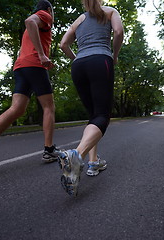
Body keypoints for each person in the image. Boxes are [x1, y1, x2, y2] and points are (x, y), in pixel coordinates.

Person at [0, 0, 60, 178]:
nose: (52, 17)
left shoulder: (35, 26)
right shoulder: (44, 15)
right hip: (35, 65)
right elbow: (29, 21)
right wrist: (41, 54)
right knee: (49, 107)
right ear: (47, 10)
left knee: (17, 109)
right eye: (52, 12)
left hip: (21, 67)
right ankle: (49, 149)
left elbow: (31, 26)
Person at [58, 0, 124, 196]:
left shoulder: (79, 19)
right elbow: (118, 33)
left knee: (94, 117)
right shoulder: (110, 11)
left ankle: (93, 162)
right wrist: (115, 55)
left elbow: (63, 44)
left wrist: (77, 59)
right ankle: (77, 156)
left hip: (79, 65)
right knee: (102, 116)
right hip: (100, 60)